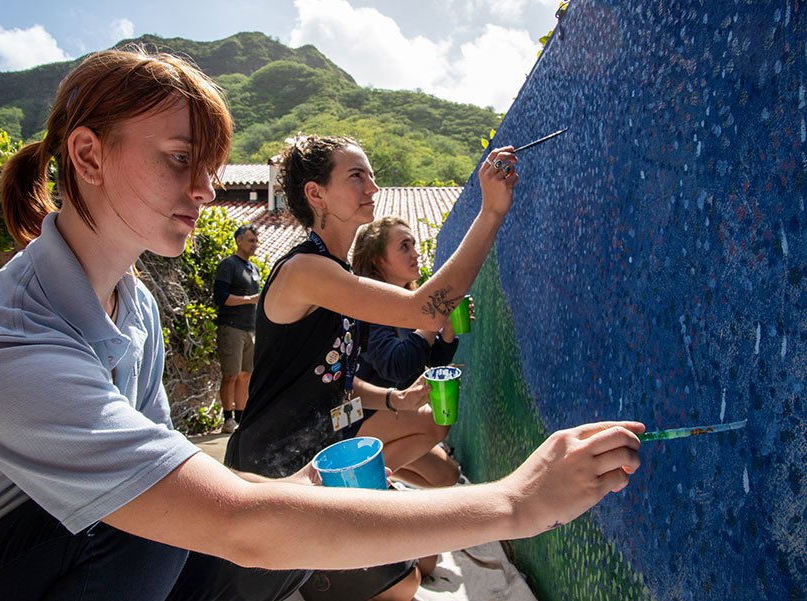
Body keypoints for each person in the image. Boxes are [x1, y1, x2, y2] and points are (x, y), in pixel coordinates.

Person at [0, 49, 644, 601]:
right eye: (179, 160)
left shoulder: (131, 307)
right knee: (181, 528)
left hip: (122, 525)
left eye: (212, 166)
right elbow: (230, 518)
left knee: (285, 522)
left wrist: (351, 440)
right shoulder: (5, 344)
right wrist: (515, 502)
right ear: (88, 154)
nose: (204, 189)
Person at [223, 135, 643, 601]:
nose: (373, 186)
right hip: (271, 468)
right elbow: (427, 310)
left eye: (372, 174)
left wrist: (389, 398)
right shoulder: (304, 269)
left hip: (322, 459)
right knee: (380, 586)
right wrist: (490, 213)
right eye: (355, 175)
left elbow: (330, 379)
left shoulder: (339, 278)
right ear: (315, 194)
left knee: (401, 581)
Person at [351, 216, 462, 489]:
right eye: (404, 246)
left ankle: (379, 476)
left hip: (388, 414)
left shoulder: (405, 301)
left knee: (446, 476)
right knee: (437, 419)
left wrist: (445, 331)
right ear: (378, 260)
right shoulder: (370, 304)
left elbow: (424, 358)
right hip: (352, 415)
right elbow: (395, 365)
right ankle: (354, 483)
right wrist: (431, 321)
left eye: (413, 245)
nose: (415, 253)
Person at [213, 224, 261, 433]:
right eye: (251, 240)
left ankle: (241, 418)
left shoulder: (254, 268)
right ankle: (228, 419)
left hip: (250, 328)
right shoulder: (228, 265)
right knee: (230, 374)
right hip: (231, 327)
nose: (255, 245)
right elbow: (220, 297)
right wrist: (250, 299)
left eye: (256, 241)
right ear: (239, 240)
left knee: (245, 375)